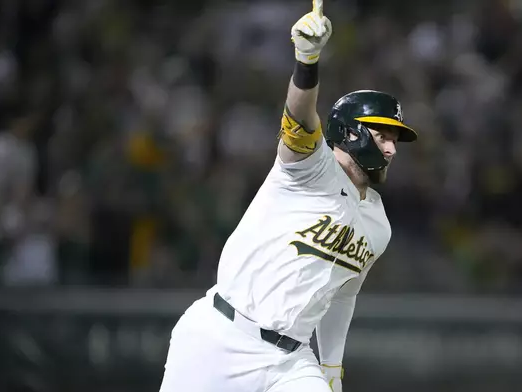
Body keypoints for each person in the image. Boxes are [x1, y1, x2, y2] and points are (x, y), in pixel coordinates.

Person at [159, 6, 417, 392]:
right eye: (383, 135)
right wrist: (307, 61)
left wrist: (331, 366)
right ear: (350, 133)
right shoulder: (310, 169)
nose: (392, 149)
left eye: (395, 139)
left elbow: (342, 297)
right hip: (221, 339)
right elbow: (298, 115)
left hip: (291, 362)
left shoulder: (378, 225)